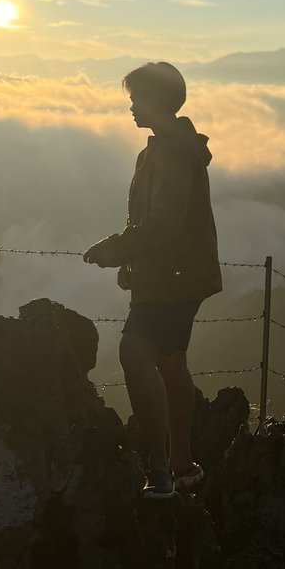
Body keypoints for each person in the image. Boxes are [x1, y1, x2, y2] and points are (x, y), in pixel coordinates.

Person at [83, 61, 222, 499]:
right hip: (173, 275)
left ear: (156, 101)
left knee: (134, 351)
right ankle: (181, 466)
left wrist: (116, 250)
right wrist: (131, 262)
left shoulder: (174, 153)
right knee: (170, 361)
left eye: (135, 98)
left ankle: (160, 471)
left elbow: (164, 223)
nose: (130, 107)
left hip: (174, 277)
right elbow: (148, 220)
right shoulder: (158, 151)